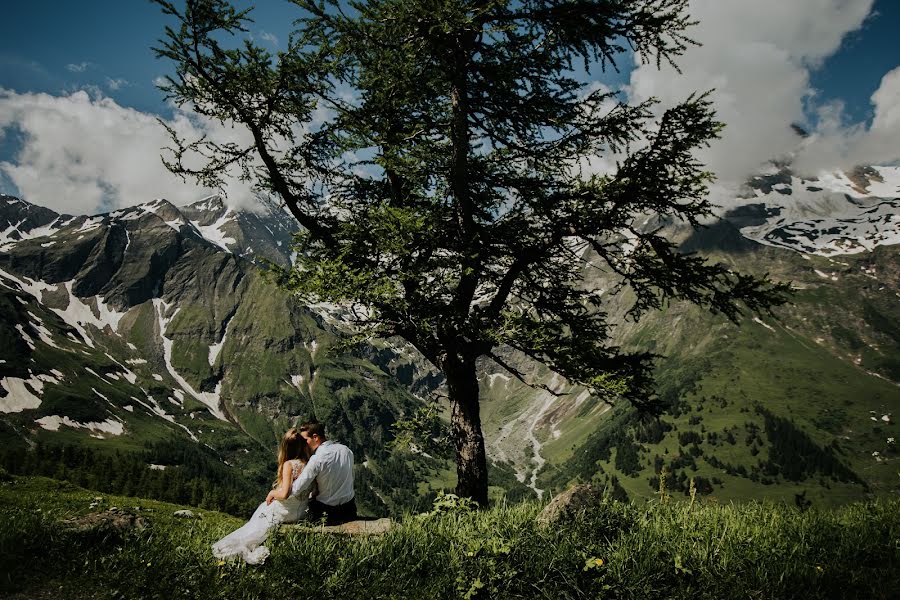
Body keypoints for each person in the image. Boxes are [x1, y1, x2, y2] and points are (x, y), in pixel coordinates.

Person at [212, 428, 312, 564]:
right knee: (264, 509)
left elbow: (284, 493)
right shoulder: (309, 464)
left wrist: (272, 493)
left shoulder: (289, 465)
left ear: (286, 448)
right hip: (300, 512)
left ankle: (241, 545)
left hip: (286, 512)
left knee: (264, 508)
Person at [286, 420, 356, 524]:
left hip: (326, 512)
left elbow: (296, 489)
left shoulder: (317, 458)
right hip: (349, 510)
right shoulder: (346, 450)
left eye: (305, 440)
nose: (303, 445)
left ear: (315, 437)